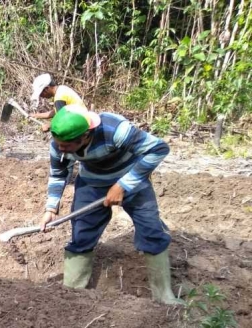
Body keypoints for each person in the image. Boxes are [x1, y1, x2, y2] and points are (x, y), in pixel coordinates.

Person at [39, 105, 179, 305]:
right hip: (91, 183)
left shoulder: (116, 130)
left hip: (131, 181)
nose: (61, 148)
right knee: (81, 234)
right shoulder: (59, 144)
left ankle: (164, 297)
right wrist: (51, 208)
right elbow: (58, 173)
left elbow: (158, 148)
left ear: (86, 135)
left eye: (67, 145)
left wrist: (122, 185)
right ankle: (71, 296)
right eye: (58, 143)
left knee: (151, 231)